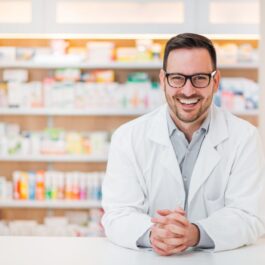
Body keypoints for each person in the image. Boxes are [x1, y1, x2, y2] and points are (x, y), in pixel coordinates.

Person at [101, 33, 265, 255]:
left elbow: (249, 215)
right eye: (177, 78)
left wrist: (195, 233)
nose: (188, 91)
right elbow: (117, 214)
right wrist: (153, 234)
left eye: (199, 78)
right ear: (163, 80)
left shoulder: (244, 137)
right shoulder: (128, 137)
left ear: (215, 81)